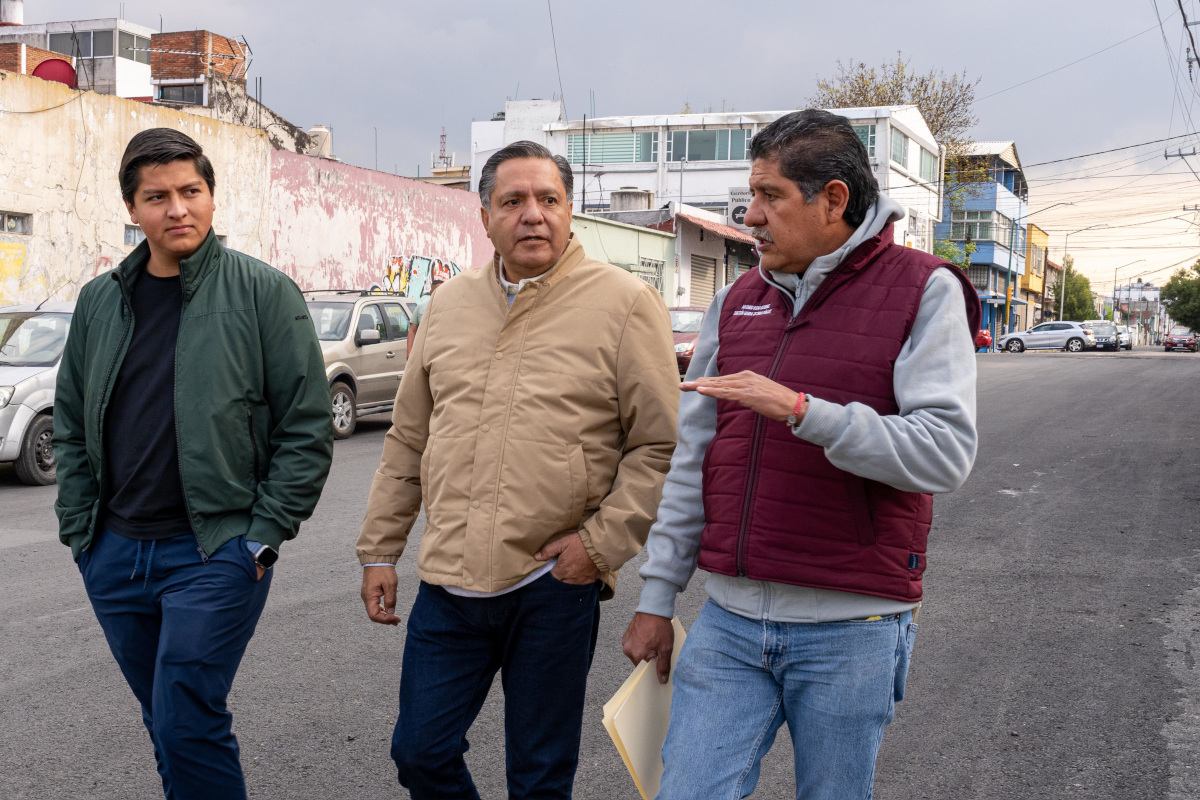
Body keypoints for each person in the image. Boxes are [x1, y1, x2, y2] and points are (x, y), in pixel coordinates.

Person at [622, 109, 982, 799]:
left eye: (771, 196)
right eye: (750, 197)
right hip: (728, 623)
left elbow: (944, 454)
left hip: (851, 627)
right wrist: (657, 598)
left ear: (834, 200)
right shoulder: (735, 302)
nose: (751, 216)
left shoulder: (924, 289)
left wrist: (800, 411)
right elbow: (693, 457)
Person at [357, 140, 679, 800]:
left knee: (538, 775)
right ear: (484, 217)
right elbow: (409, 438)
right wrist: (380, 551)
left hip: (552, 585)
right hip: (450, 584)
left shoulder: (624, 303)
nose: (532, 215)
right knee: (420, 752)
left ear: (569, 211)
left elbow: (656, 446)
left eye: (548, 200)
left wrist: (598, 548)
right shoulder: (447, 304)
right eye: (513, 201)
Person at [53, 128, 334, 800]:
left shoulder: (264, 292)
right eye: (157, 196)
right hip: (116, 552)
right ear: (133, 208)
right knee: (166, 720)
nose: (176, 209)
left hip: (213, 551)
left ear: (211, 197)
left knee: (185, 715)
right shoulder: (100, 301)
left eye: (190, 191)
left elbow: (306, 426)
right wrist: (81, 531)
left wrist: (261, 540)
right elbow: (70, 420)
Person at [405, 276, 443, 357]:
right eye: (436, 290)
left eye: (442, 290)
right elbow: (412, 330)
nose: (439, 292)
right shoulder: (420, 308)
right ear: (431, 292)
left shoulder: (449, 308)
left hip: (441, 352)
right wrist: (409, 352)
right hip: (423, 352)